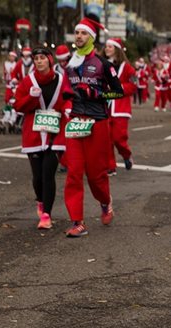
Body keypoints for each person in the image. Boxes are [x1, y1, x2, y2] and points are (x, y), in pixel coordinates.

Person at [63, 15, 124, 237]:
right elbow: (65, 91)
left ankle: (105, 202)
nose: (79, 36)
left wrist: (98, 93)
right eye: (77, 32)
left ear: (91, 38)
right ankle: (77, 222)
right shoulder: (69, 64)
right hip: (75, 122)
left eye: (83, 33)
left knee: (96, 175)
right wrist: (66, 104)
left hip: (97, 123)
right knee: (73, 173)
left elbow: (118, 91)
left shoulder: (103, 65)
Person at [13, 47, 73, 229]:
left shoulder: (61, 80)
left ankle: (46, 214)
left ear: (49, 60)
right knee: (37, 177)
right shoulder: (27, 81)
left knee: (48, 174)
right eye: (36, 58)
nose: (39, 61)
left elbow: (68, 98)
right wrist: (31, 98)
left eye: (42, 58)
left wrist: (68, 108)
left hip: (56, 132)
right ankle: (40, 200)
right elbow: (18, 107)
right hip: (34, 134)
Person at [103, 37, 136, 176]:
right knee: (106, 139)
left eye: (110, 46)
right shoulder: (102, 64)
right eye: (106, 46)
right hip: (105, 106)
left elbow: (133, 85)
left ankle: (126, 155)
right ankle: (110, 166)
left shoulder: (127, 67)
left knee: (118, 138)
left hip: (120, 108)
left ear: (117, 49)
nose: (107, 49)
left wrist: (118, 87)